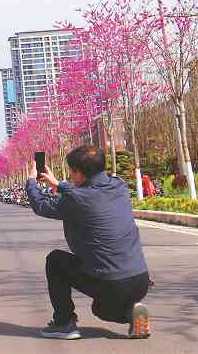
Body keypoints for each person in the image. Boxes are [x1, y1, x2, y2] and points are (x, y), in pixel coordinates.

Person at [26, 145, 151, 340]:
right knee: (109, 300)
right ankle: (132, 313)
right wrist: (57, 184)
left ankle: (64, 323)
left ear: (77, 172)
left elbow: (41, 205)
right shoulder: (119, 184)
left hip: (111, 284)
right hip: (140, 280)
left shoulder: (75, 199)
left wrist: (31, 182)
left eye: (71, 172)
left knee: (56, 261)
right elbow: (86, 192)